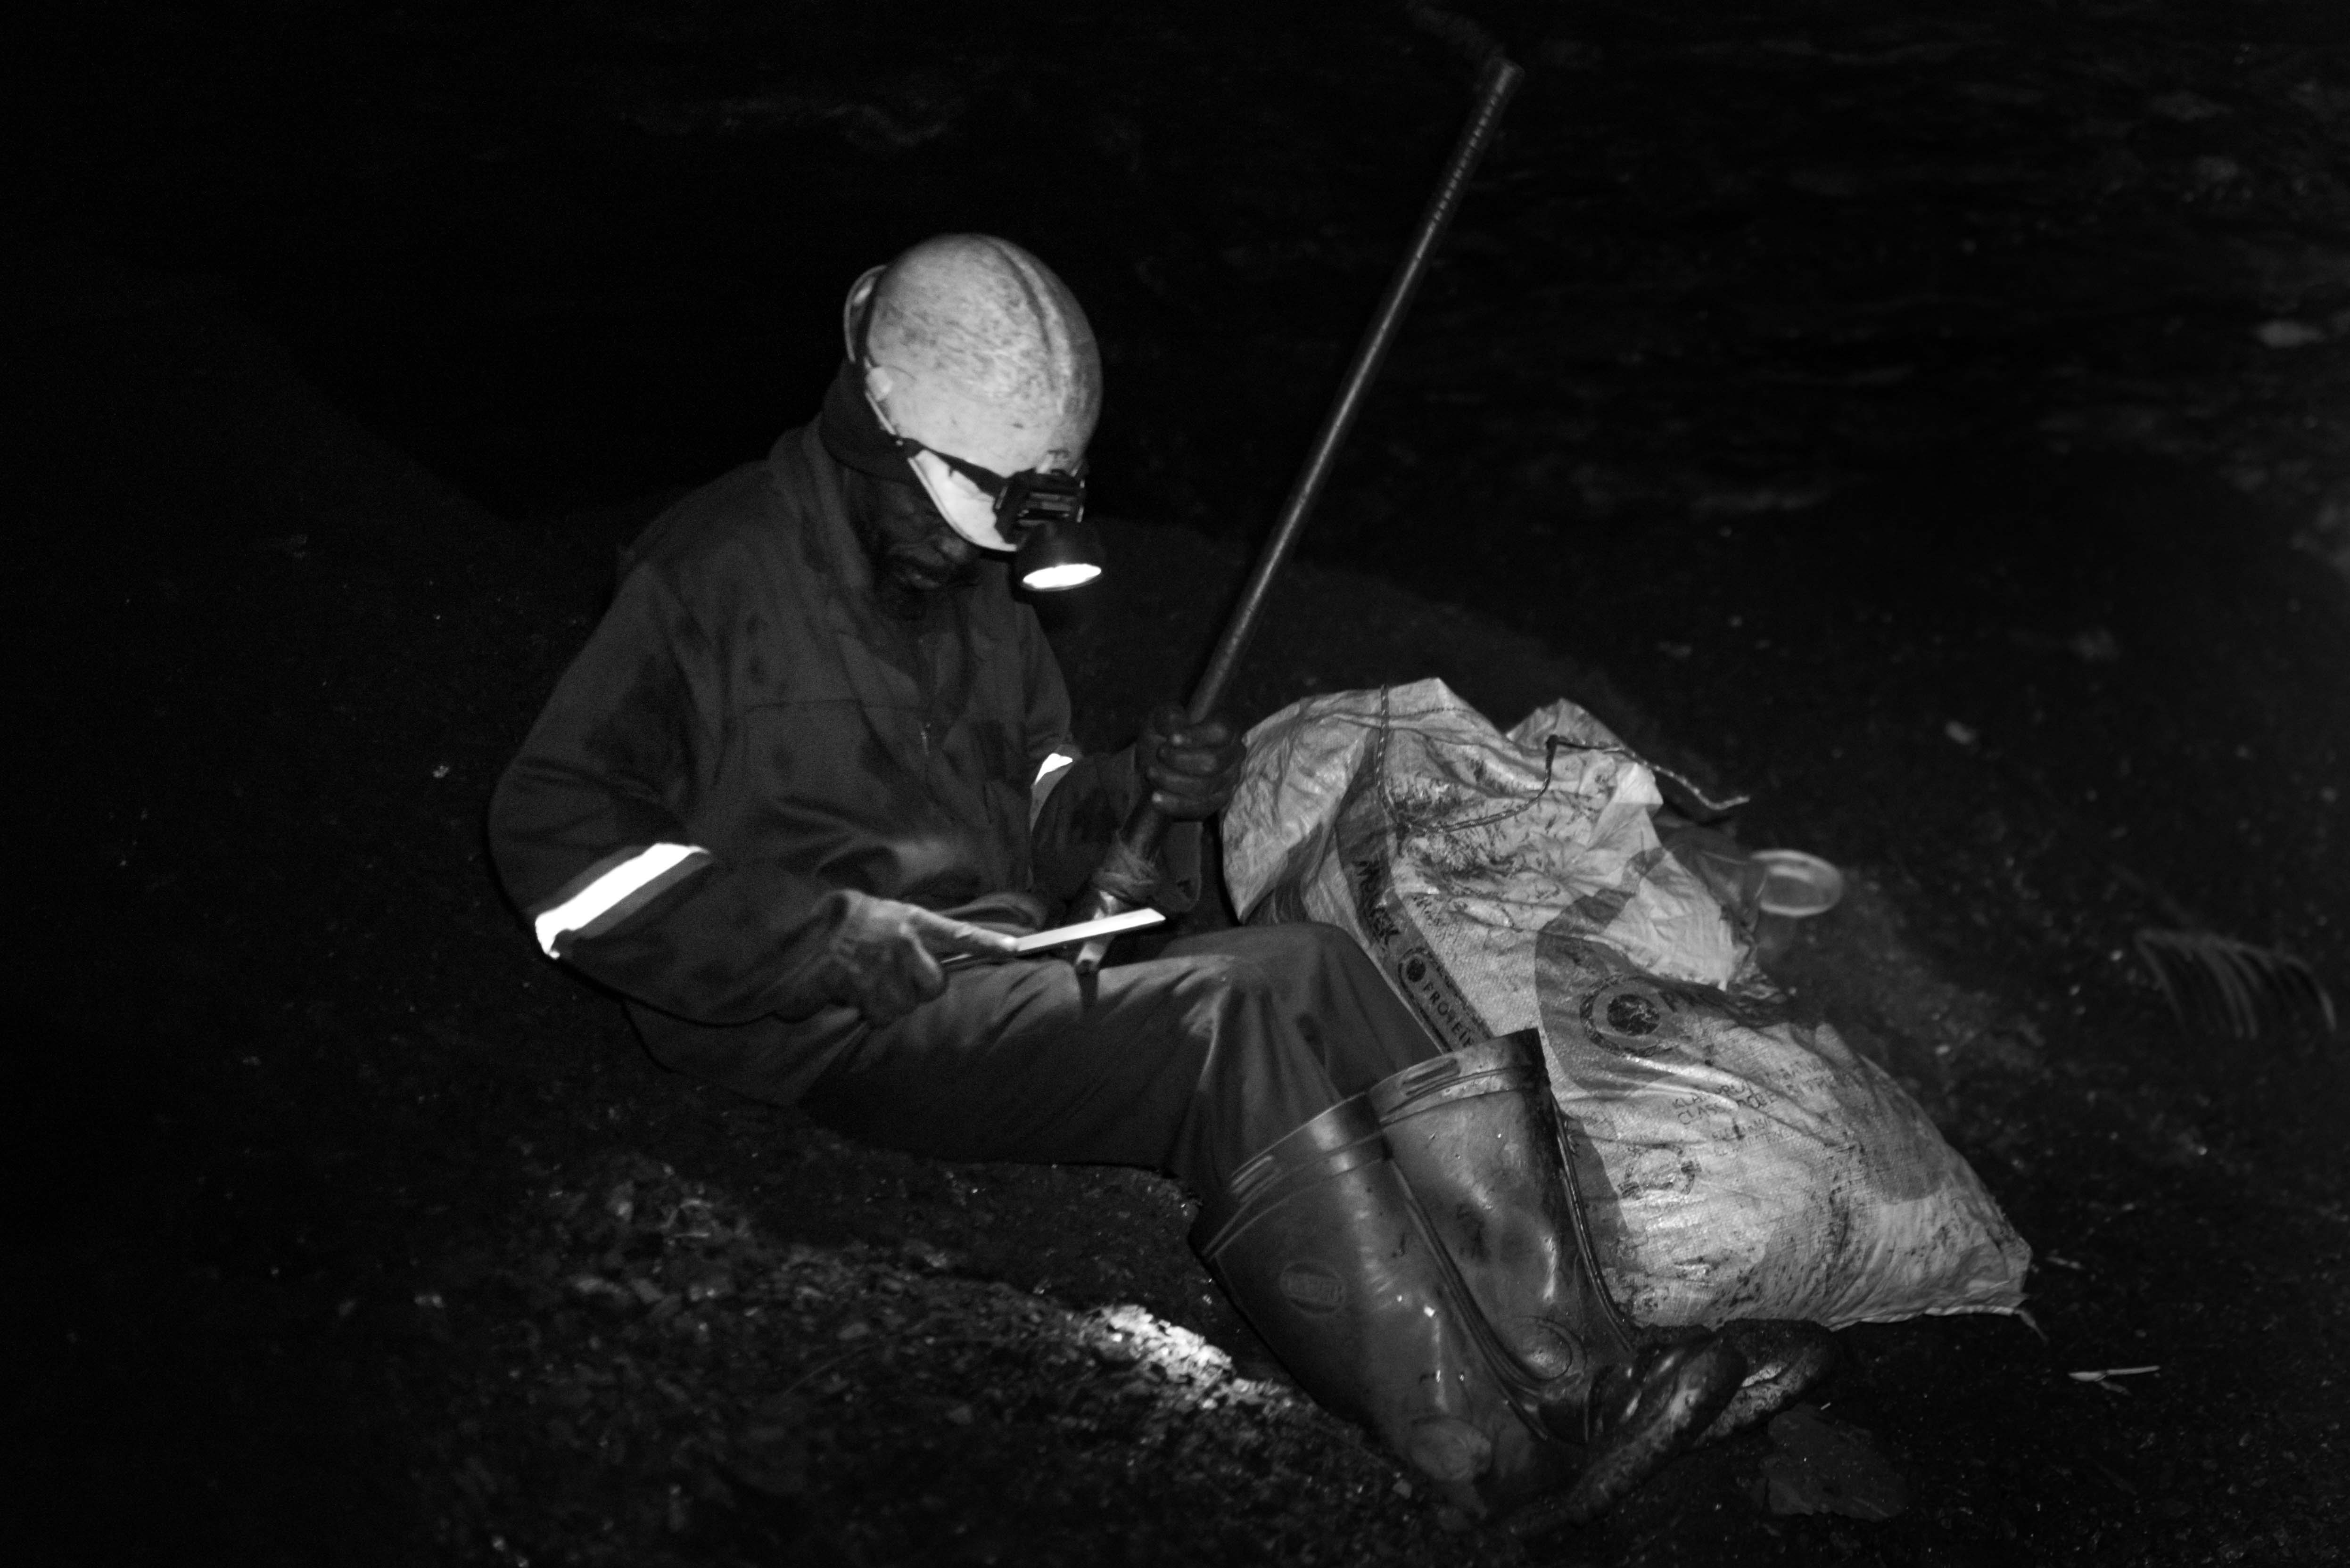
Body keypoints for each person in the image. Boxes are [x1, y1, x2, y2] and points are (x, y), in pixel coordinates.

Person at [489, 233, 1777, 1525]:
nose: (975, 559)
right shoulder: (709, 572)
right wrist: (809, 933)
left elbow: (1037, 803)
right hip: (826, 1019)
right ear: (877, 437)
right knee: (1227, 1019)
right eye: (957, 522)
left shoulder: (979, 584)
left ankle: (1581, 1364)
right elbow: (559, 846)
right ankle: (1470, 1453)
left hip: (995, 963)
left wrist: (1130, 788)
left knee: (1314, 967)